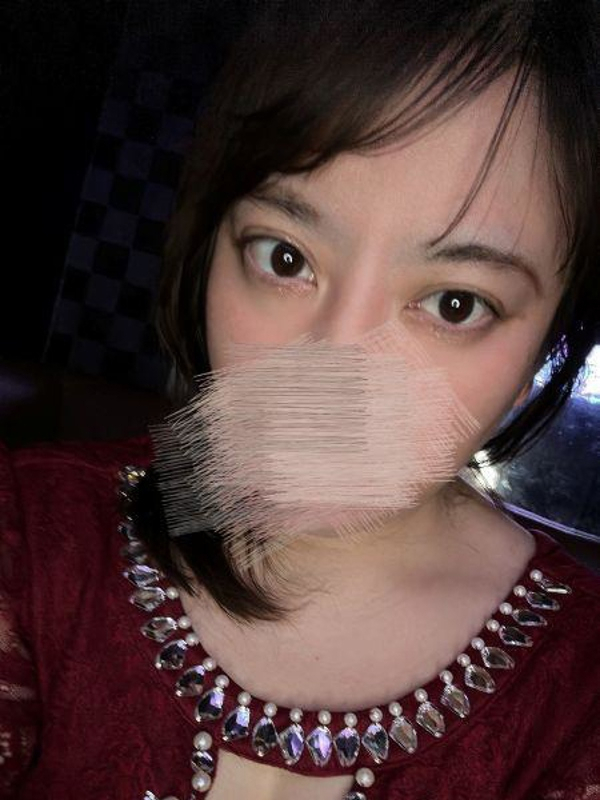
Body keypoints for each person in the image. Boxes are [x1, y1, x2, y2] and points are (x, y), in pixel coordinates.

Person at [1, 1, 600, 798]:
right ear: (210, 245)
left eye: (455, 304)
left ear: (544, 345)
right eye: (285, 257)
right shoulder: (29, 534)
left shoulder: (581, 697)